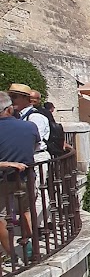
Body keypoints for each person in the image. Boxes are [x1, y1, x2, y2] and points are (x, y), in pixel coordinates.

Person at [0, 91, 38, 260]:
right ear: (9, 109)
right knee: (26, 211)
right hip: (25, 177)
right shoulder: (29, 126)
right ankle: (31, 250)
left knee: (1, 218)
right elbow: (35, 146)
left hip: (2, 180)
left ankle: (11, 256)